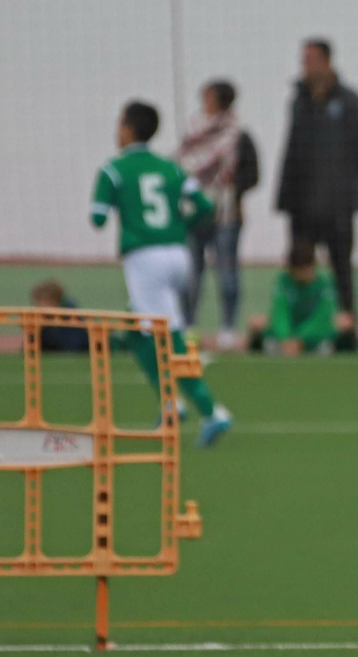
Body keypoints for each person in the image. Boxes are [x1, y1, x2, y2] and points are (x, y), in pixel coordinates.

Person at [90, 100, 233, 446]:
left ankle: (212, 411)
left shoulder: (114, 169)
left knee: (169, 335)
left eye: (120, 124)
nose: (117, 131)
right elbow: (203, 206)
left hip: (145, 258)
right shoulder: (170, 168)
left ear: (129, 129)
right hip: (178, 254)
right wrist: (175, 225)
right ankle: (171, 405)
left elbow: (97, 217)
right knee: (136, 332)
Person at [275, 38, 358, 314]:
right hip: (302, 203)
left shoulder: (350, 102)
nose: (305, 67)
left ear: (326, 62)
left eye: (310, 60)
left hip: (337, 204)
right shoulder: (299, 102)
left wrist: (346, 180)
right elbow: (292, 151)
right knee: (300, 266)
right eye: (303, 61)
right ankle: (300, 330)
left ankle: (346, 327)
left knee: (341, 269)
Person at [177, 79, 257, 349]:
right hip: (193, 213)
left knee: (227, 272)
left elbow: (252, 173)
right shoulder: (193, 131)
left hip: (226, 216)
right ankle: (188, 325)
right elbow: (182, 164)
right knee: (190, 272)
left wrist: (232, 193)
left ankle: (227, 327)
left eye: (208, 97)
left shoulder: (238, 135)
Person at [249, 239, 349, 354]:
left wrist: (300, 339)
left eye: (306, 269)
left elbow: (322, 317)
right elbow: (280, 314)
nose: (303, 275)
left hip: (313, 341)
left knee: (337, 327)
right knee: (260, 326)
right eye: (298, 271)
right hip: (285, 342)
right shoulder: (283, 283)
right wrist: (286, 339)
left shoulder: (324, 285)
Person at [29, 281, 89, 353]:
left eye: (41, 302)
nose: (37, 307)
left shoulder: (72, 320)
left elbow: (71, 348)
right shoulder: (42, 320)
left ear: (53, 301)